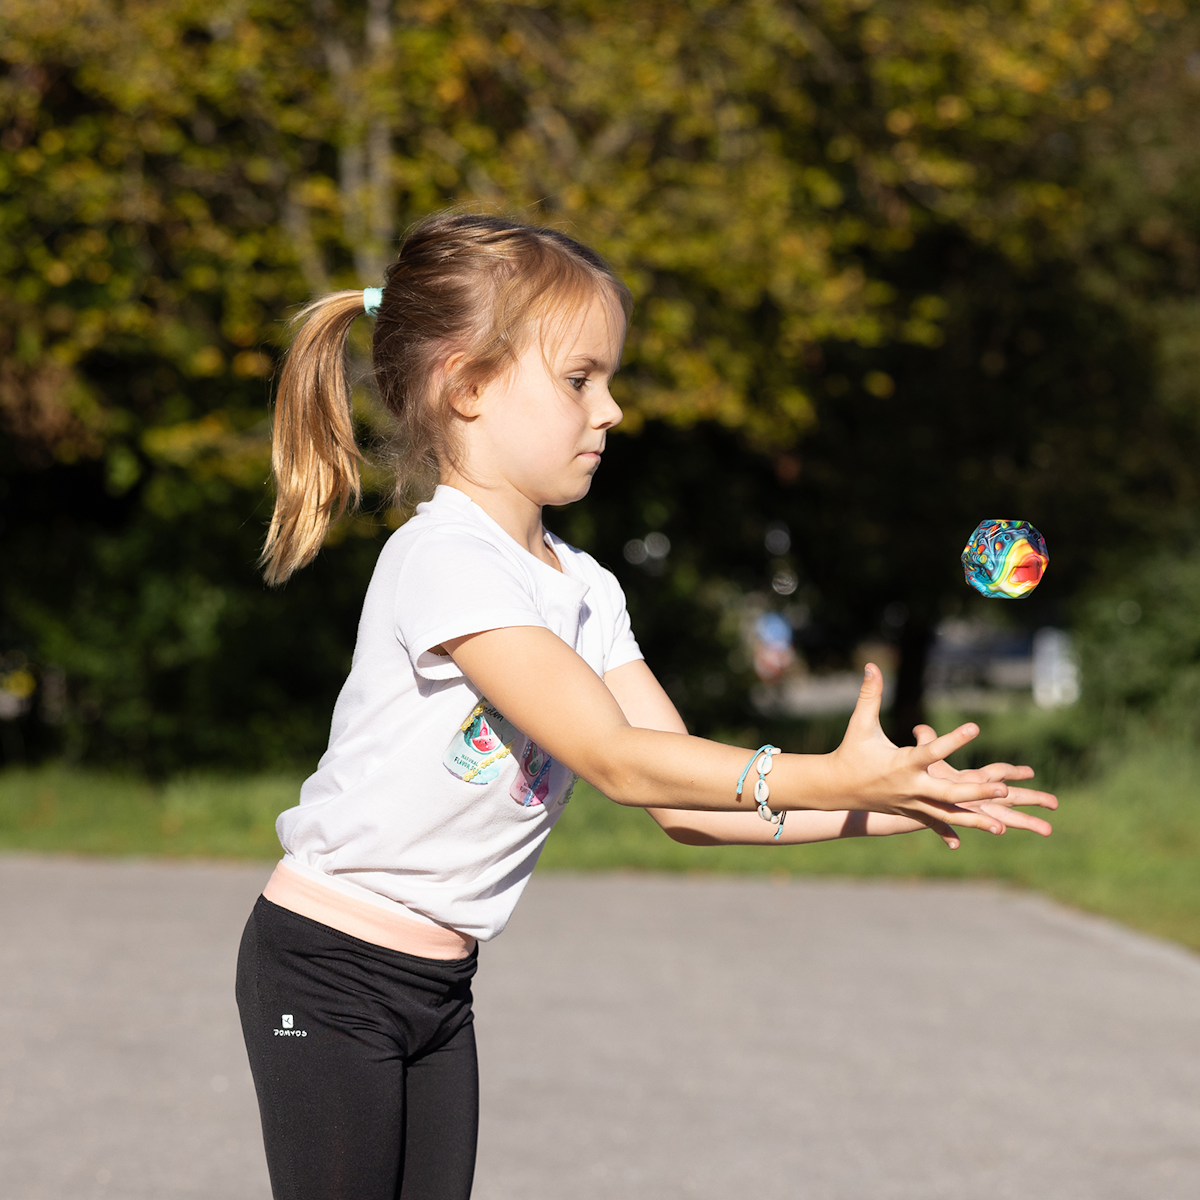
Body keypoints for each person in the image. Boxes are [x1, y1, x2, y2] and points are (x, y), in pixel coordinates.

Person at [236, 212, 1056, 1200]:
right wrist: (826, 771)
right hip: (330, 970)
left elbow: (681, 800)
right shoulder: (444, 560)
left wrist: (892, 803)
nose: (612, 409)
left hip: (437, 986)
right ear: (469, 387)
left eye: (610, 380)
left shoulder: (583, 587)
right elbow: (619, 761)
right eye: (581, 379)